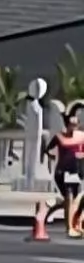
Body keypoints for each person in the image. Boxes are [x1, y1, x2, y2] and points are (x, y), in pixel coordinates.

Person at [47, 101, 84, 237]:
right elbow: (48, 149)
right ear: (67, 124)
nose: (73, 127)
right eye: (71, 124)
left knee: (75, 199)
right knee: (69, 197)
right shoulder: (59, 137)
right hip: (62, 172)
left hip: (76, 172)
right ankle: (69, 227)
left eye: (76, 124)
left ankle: (49, 207)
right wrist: (50, 156)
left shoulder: (81, 137)